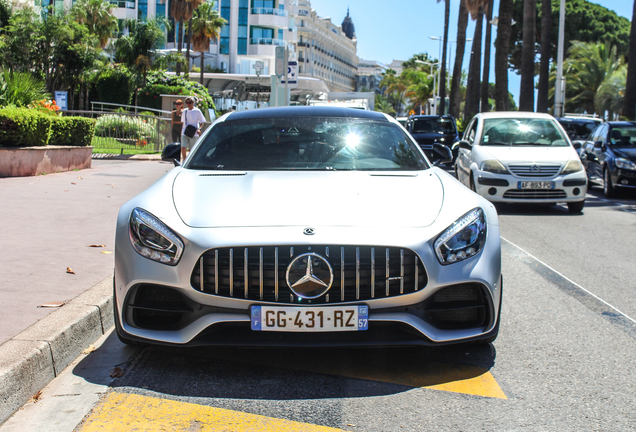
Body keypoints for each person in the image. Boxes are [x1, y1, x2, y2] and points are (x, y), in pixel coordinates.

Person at [180, 97, 206, 162]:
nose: (188, 104)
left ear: (193, 103)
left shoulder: (197, 111)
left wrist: (199, 129)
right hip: (185, 131)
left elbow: (202, 121)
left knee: (191, 149)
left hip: (194, 132)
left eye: (190, 102)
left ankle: (189, 161)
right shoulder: (185, 111)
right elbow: (183, 121)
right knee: (183, 146)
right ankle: (184, 160)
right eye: (187, 103)